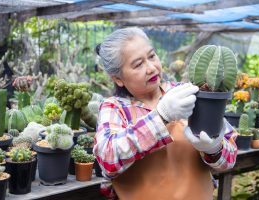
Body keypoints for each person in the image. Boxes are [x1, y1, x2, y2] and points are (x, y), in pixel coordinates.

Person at [93, 27, 237, 200]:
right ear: (118, 79)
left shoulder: (185, 93)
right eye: (138, 64)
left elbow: (230, 158)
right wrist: (161, 116)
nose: (151, 68)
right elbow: (108, 159)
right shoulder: (115, 108)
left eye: (152, 56)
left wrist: (214, 149)